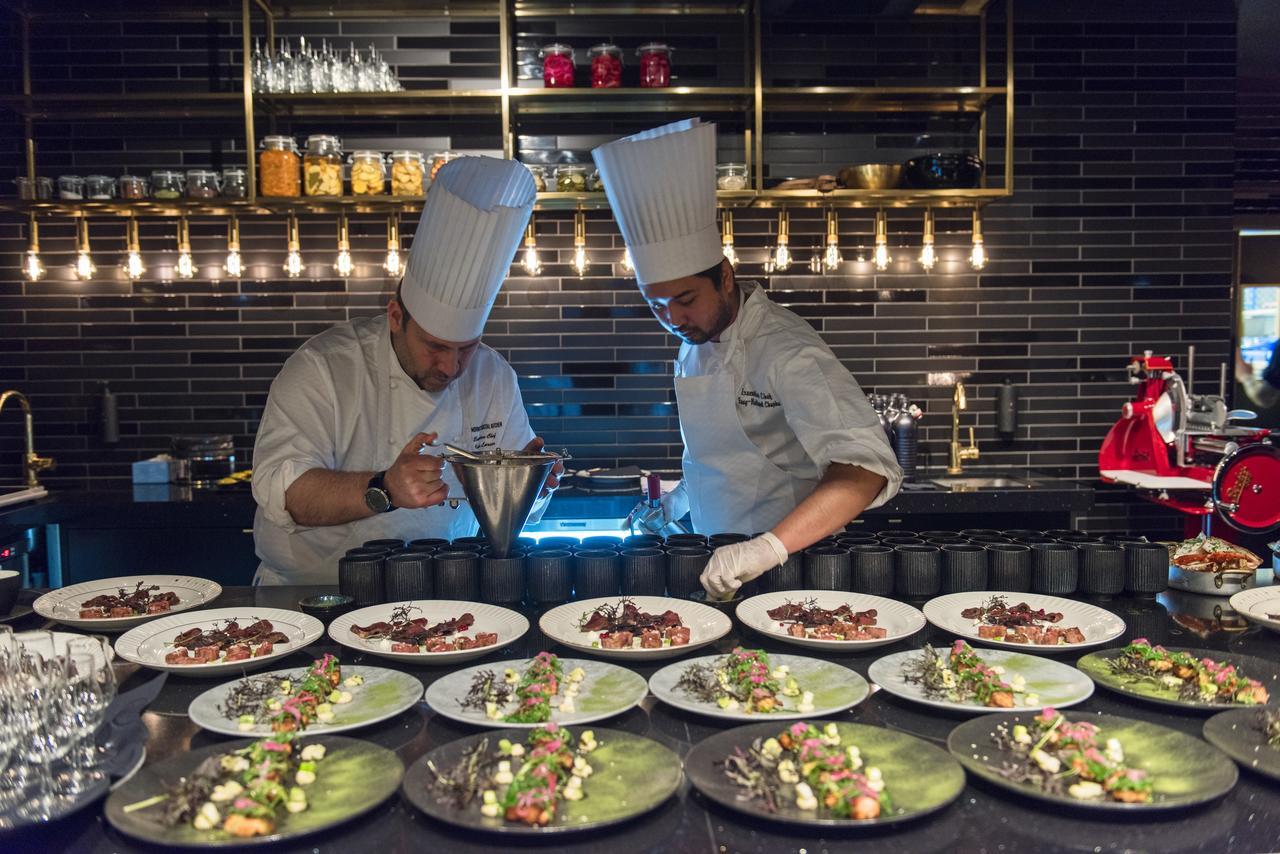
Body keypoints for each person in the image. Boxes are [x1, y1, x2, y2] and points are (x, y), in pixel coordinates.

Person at [593, 118, 902, 598]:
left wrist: (767, 549)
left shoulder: (787, 349)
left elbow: (864, 470)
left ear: (726, 276)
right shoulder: (695, 340)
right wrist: (676, 505)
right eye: (657, 305)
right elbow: (723, 459)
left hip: (798, 572)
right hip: (720, 564)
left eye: (686, 298)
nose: (673, 318)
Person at [251, 156, 561, 585]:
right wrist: (385, 488)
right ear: (396, 316)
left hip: (449, 598)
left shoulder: (492, 375)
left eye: (466, 348)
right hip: (316, 596)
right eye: (435, 346)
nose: (451, 367)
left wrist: (533, 484)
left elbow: (509, 513)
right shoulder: (323, 368)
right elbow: (288, 494)